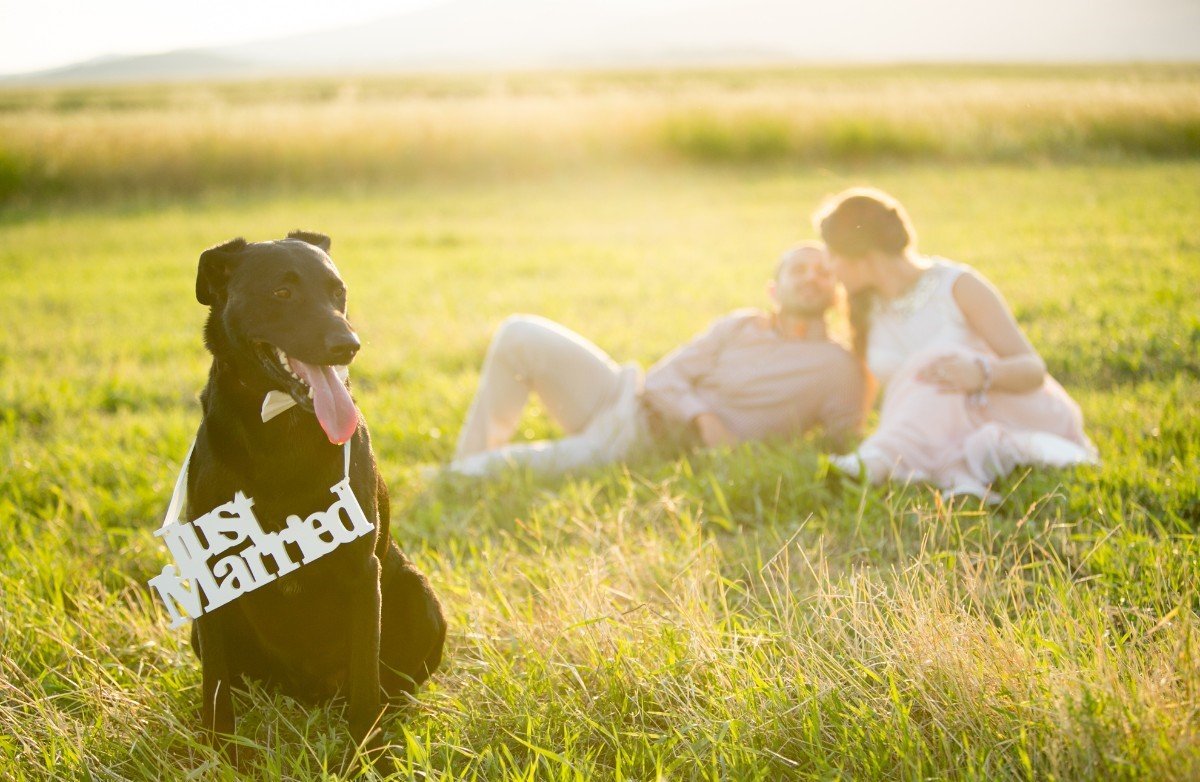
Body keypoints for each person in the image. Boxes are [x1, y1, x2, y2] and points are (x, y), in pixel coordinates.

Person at [448, 243, 866, 477]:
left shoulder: (838, 367)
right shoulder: (740, 325)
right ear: (775, 290)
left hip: (642, 442)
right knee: (519, 332)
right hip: (621, 394)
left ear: (837, 290)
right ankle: (468, 458)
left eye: (822, 272)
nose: (812, 277)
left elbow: (842, 443)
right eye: (799, 270)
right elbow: (665, 376)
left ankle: (456, 475)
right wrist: (704, 416)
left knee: (499, 470)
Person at [815, 187, 1097, 499]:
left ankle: (879, 459)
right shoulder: (864, 309)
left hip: (1008, 410)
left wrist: (981, 372)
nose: (829, 266)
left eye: (831, 254)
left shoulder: (957, 286)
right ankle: (960, 480)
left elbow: (1033, 370)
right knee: (926, 370)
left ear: (860, 255)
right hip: (940, 429)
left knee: (936, 358)